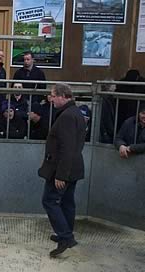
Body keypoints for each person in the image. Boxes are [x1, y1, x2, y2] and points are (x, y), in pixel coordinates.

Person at [38, 83, 87, 257]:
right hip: (73, 166)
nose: (50, 98)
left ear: (63, 96)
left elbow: (67, 148)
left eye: (52, 95)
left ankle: (65, 236)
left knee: (49, 200)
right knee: (67, 201)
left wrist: (60, 175)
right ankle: (66, 233)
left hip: (63, 168)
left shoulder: (66, 116)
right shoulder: (76, 113)